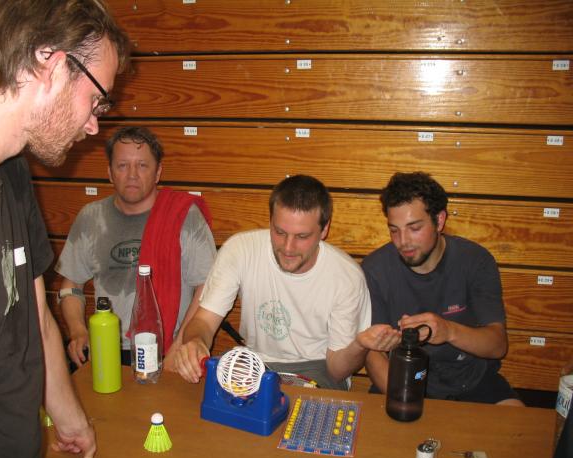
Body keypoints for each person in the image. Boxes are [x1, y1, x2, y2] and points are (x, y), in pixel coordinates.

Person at [0, 0, 129, 458]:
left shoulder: (13, 173)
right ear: (52, 65)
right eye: (96, 100)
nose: (93, 124)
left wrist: (71, 417)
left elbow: (36, 319)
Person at [174, 174, 400, 390]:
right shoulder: (240, 249)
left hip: (317, 368)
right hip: (254, 362)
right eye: (279, 232)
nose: (288, 247)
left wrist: (359, 345)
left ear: (324, 230)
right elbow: (203, 321)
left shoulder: (346, 277)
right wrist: (196, 341)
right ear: (270, 221)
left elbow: (337, 370)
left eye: (302, 236)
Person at [56, 126, 216, 370]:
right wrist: (78, 331)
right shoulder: (90, 217)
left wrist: (180, 344)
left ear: (157, 172)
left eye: (142, 165)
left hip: (165, 348)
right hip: (105, 347)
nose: (132, 174)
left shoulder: (184, 216)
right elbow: (71, 285)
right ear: (110, 173)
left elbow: (207, 287)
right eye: (122, 165)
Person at [363, 172, 523, 405]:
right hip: (403, 382)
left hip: (473, 382)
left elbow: (498, 345)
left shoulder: (475, 260)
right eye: (394, 230)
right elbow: (372, 353)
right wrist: (408, 400)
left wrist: (447, 330)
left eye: (414, 228)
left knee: (519, 421)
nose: (403, 241)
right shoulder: (374, 269)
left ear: (439, 220)